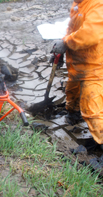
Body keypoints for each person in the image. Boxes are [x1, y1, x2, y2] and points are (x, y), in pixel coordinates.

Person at [51, 0, 103, 147]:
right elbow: (72, 29)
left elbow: (90, 34)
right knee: (72, 91)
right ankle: (73, 113)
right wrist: (62, 49)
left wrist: (66, 43)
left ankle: (101, 141)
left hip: (96, 67)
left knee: (92, 108)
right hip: (78, 63)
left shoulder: (98, 5)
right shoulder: (78, 4)